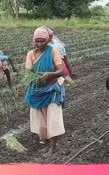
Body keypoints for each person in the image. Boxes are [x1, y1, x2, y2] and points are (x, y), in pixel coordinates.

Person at [24, 27, 65, 158]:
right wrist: (34, 77)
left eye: (42, 41)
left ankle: (53, 148)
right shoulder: (30, 54)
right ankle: (47, 145)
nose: (40, 44)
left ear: (47, 40)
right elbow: (28, 72)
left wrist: (49, 74)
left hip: (51, 91)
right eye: (37, 41)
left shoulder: (53, 51)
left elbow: (61, 71)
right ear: (33, 41)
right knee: (42, 121)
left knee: (52, 120)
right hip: (37, 91)